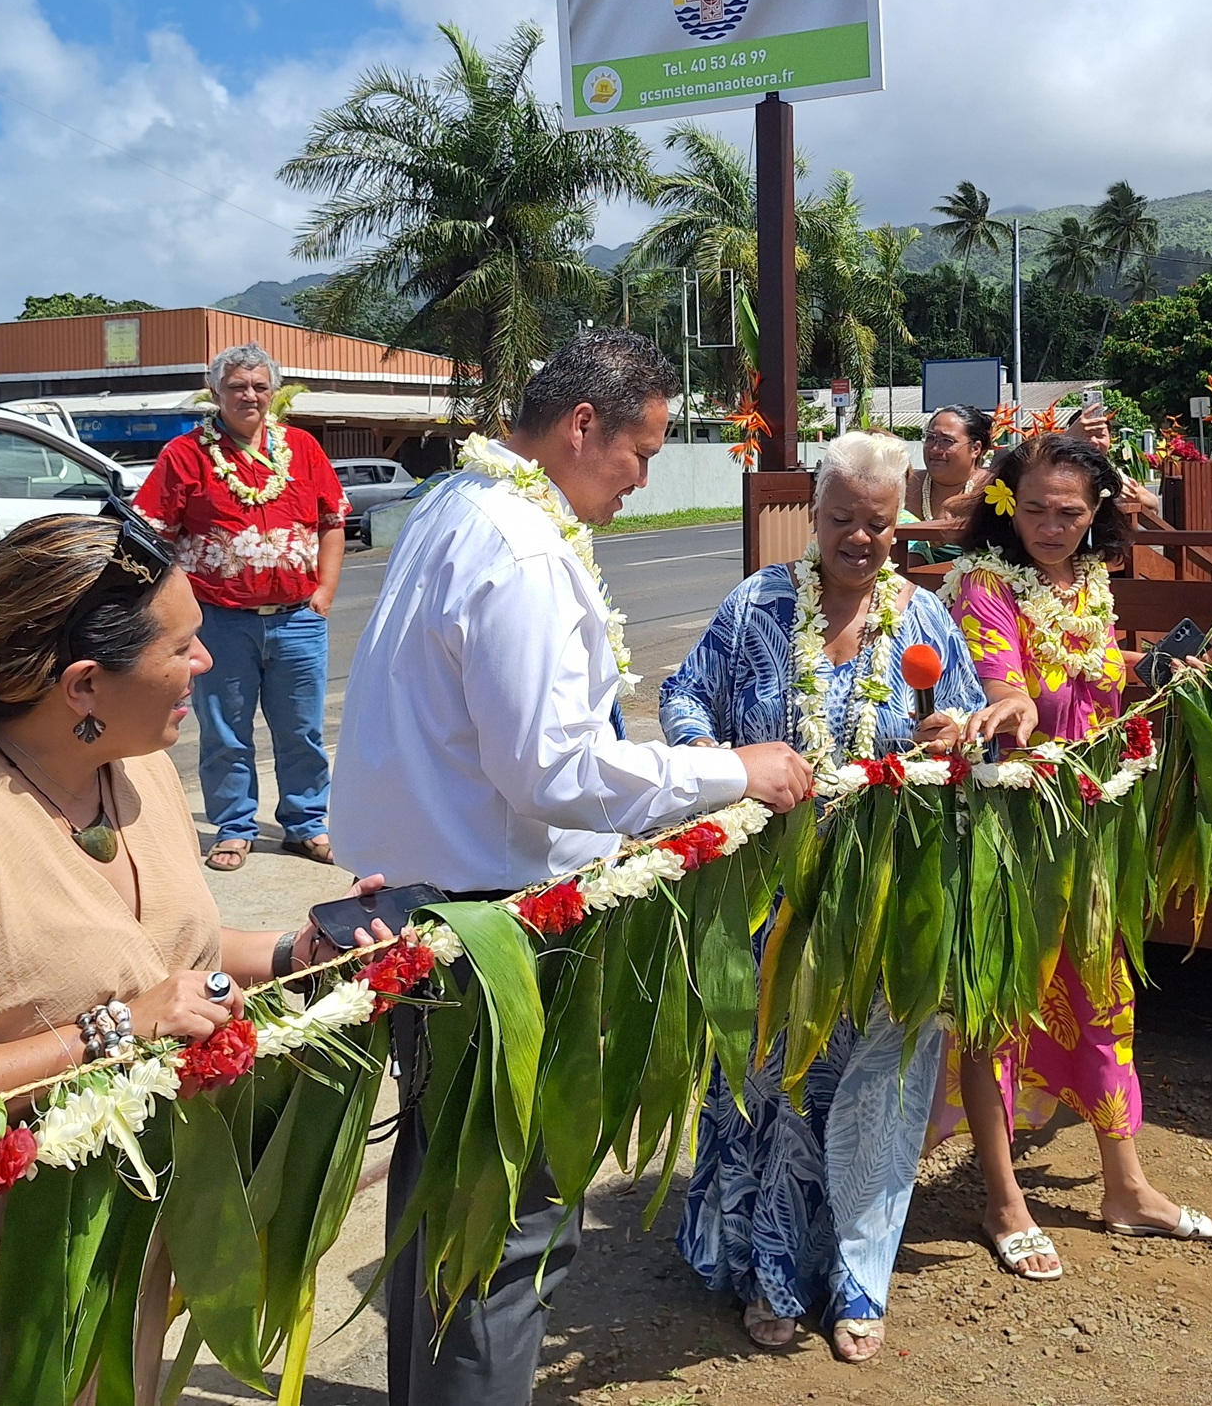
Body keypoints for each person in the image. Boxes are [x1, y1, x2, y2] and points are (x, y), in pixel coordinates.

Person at [332, 327, 814, 1406]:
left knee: (445, 1203)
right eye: (641, 451)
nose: (645, 481)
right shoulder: (523, 545)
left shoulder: (458, 505)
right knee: (503, 1221)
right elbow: (552, 771)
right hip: (494, 922)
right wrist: (725, 770)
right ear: (581, 425)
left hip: (437, 899)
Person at [0, 506, 378, 1144]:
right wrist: (111, 1034)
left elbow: (147, 951)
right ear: (86, 686)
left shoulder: (132, 765)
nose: (204, 662)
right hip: (18, 1235)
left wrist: (299, 950)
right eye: (181, 648)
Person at [662, 430, 996, 1363]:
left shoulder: (926, 622)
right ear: (812, 515)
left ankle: (858, 1277)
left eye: (878, 524)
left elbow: (974, 739)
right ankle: (768, 1273)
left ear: (900, 523)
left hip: (888, 898)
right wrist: (720, 761)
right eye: (841, 518)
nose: (859, 537)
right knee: (767, 1083)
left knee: (876, 1091)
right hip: (771, 894)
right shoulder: (757, 604)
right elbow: (684, 696)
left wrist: (956, 732)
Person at [940, 430, 1212, 1280]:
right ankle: (1002, 1199)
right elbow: (1007, 685)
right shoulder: (983, 584)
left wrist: (1157, 670)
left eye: (1070, 511)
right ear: (1005, 504)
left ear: (1097, 509)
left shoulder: (1091, 578)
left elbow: (1093, 676)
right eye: (1033, 509)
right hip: (1012, 822)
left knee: (1104, 996)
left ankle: (1126, 1186)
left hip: (1093, 818)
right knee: (996, 999)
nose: (1051, 526)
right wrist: (1016, 706)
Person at [135, 343, 349, 872]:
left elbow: (332, 523)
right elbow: (151, 536)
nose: (249, 395)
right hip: (220, 622)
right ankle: (234, 827)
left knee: (302, 730)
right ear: (217, 393)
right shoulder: (184, 456)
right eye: (237, 386)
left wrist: (324, 591)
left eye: (258, 385)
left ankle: (307, 823)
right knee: (225, 730)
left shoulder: (301, 447)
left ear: (272, 392)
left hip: (298, 618)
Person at [1064, 393, 1161, 526]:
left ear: (1110, 437)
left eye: (1100, 435)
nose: (1093, 441)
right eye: (1085, 435)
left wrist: (1137, 496)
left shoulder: (1113, 471)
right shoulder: (1059, 469)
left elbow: (1154, 504)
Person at [907, 404, 992, 530]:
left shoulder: (993, 488)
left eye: (947, 441)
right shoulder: (904, 486)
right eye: (930, 438)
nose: (935, 449)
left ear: (975, 449)